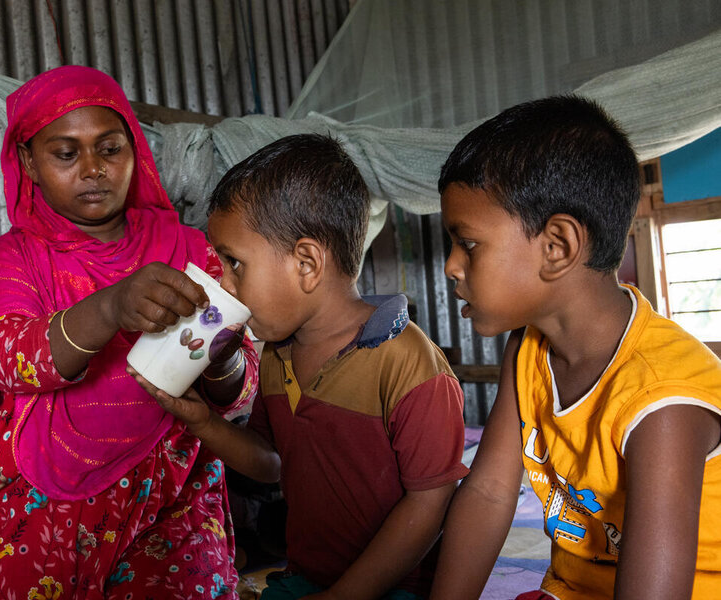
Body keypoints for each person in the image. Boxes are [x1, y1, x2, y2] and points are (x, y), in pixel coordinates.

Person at [0, 66, 258, 599]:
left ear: (134, 149)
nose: (93, 169)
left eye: (110, 149)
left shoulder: (193, 250)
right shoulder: (11, 260)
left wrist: (224, 358)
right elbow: (9, 360)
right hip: (40, 500)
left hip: (171, 500)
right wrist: (112, 306)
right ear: (28, 160)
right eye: (66, 154)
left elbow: (239, 395)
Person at [129, 134, 469, 599]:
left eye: (234, 263)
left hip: (393, 590)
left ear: (307, 263)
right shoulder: (279, 353)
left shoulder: (407, 364)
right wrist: (203, 422)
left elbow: (431, 502)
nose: (222, 284)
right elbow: (272, 464)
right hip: (306, 579)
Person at [429, 95, 721, 600]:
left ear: (557, 247)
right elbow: (490, 491)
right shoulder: (528, 347)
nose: (452, 266)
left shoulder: (661, 401)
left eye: (468, 243)